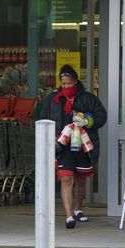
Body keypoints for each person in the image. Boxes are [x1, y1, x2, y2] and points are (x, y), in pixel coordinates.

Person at [41, 64, 107, 229]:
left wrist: (87, 121)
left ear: (76, 81)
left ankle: (78, 208)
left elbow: (102, 116)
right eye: (63, 84)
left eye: (69, 84)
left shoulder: (88, 98)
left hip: (83, 144)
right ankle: (69, 215)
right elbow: (42, 119)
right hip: (62, 146)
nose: (66, 87)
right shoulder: (52, 99)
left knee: (80, 179)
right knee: (66, 178)